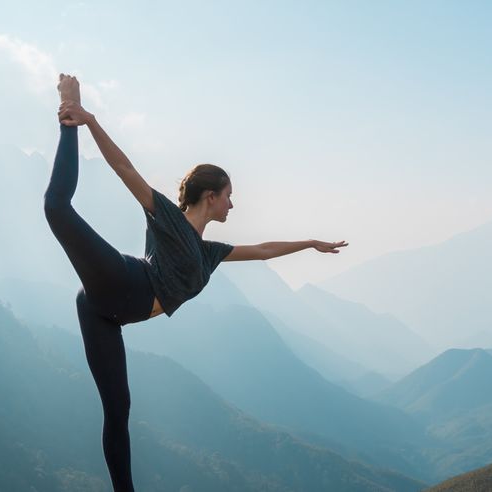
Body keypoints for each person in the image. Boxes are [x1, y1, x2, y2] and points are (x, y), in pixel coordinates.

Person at [44, 73, 347, 491]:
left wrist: (311, 243)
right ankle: (67, 114)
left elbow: (263, 250)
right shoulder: (167, 217)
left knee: (118, 410)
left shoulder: (210, 253)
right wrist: (87, 120)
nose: (232, 203)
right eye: (228, 195)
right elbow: (124, 168)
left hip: (110, 314)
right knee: (57, 207)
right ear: (210, 196)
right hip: (126, 284)